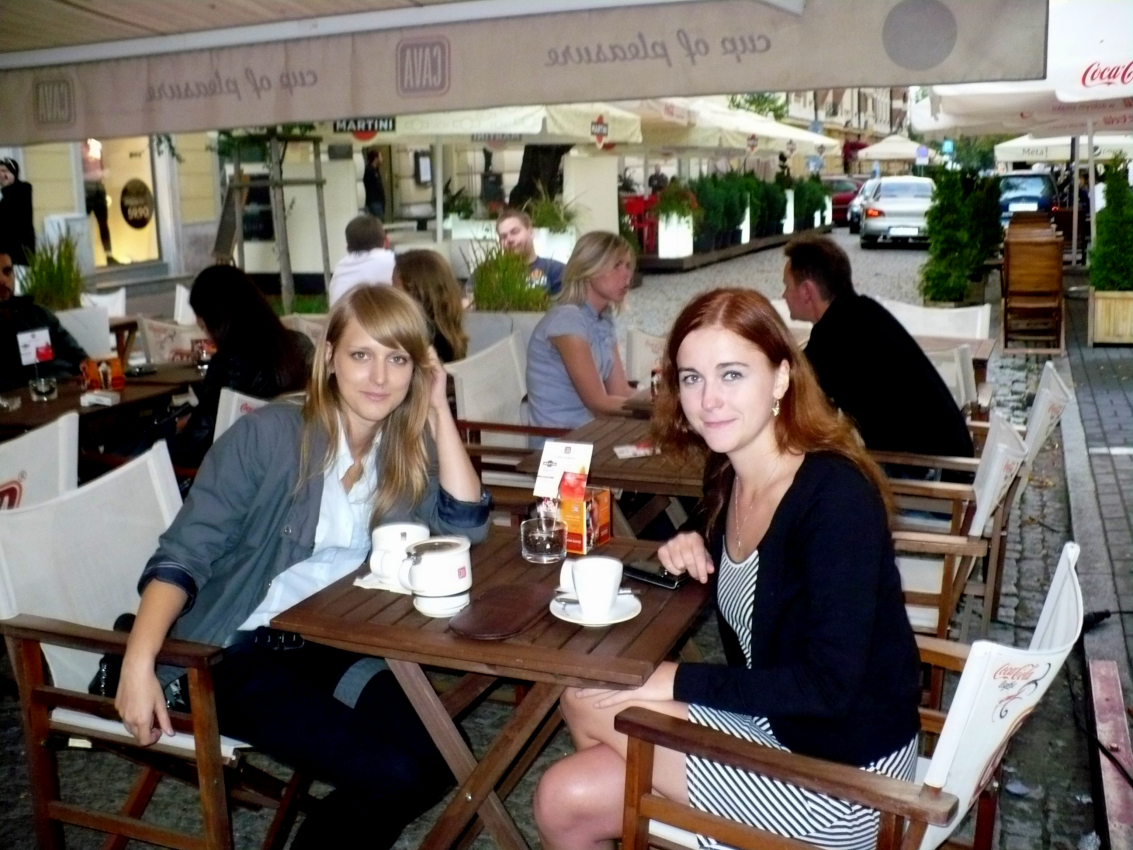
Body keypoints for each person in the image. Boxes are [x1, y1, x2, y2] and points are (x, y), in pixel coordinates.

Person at [533, 288, 921, 850]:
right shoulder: (732, 473)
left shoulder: (835, 497)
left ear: (782, 379)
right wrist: (695, 544)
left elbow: (830, 686)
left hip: (845, 777)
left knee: (587, 699)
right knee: (562, 800)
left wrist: (673, 678)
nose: (708, 399)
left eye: (732, 374)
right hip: (778, 726)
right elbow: (769, 583)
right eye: (692, 378)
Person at [115, 284, 490, 849]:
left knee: (444, 756)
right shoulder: (269, 437)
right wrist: (138, 663)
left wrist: (437, 407)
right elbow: (181, 556)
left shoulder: (399, 448)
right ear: (329, 357)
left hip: (325, 644)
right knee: (391, 774)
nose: (379, 377)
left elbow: (464, 531)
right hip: (232, 653)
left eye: (398, 359)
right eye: (361, 355)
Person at [781, 234, 974, 460]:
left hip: (928, 471)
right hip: (947, 452)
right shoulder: (862, 312)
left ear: (806, 292)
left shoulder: (836, 335)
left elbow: (788, 399)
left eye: (787, 286)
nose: (783, 295)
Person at [167, 264, 312, 467]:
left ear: (217, 321)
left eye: (203, 325)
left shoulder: (231, 364)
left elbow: (192, 449)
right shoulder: (299, 345)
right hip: (295, 468)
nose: (205, 334)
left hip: (237, 481)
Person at [526, 231, 634, 430]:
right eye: (617, 265)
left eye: (628, 266)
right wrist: (661, 408)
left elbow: (620, 391)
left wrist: (668, 399)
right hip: (560, 447)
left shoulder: (603, 317)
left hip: (591, 435)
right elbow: (599, 404)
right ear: (589, 268)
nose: (626, 274)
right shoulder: (567, 320)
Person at [0, 251, 88, 392]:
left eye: (7, 271)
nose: (3, 280)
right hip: (26, 402)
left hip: (69, 390)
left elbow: (78, 357)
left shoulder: (38, 314)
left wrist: (88, 372)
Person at [392, 250, 468, 363]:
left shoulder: (414, 344)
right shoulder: (450, 337)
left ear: (416, 293)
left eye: (396, 287)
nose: (391, 293)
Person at [328, 214, 395, 307]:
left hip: (340, 319)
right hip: (378, 319)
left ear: (347, 246)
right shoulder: (392, 260)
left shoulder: (341, 266)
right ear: (386, 241)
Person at [496, 208, 565, 295]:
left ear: (531, 232)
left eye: (515, 232)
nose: (509, 239)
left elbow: (568, 306)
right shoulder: (488, 271)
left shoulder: (556, 270)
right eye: (503, 236)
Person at [0, 158, 36, 268]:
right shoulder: (7, 196)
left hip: (18, 254)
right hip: (11, 254)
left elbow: (13, 224)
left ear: (13, 174)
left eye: (5, 171)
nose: (2, 174)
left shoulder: (19, 194)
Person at [363, 147, 386, 220]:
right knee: (378, 221)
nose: (382, 159)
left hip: (378, 201)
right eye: (380, 156)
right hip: (374, 201)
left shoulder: (376, 170)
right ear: (376, 158)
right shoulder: (369, 171)